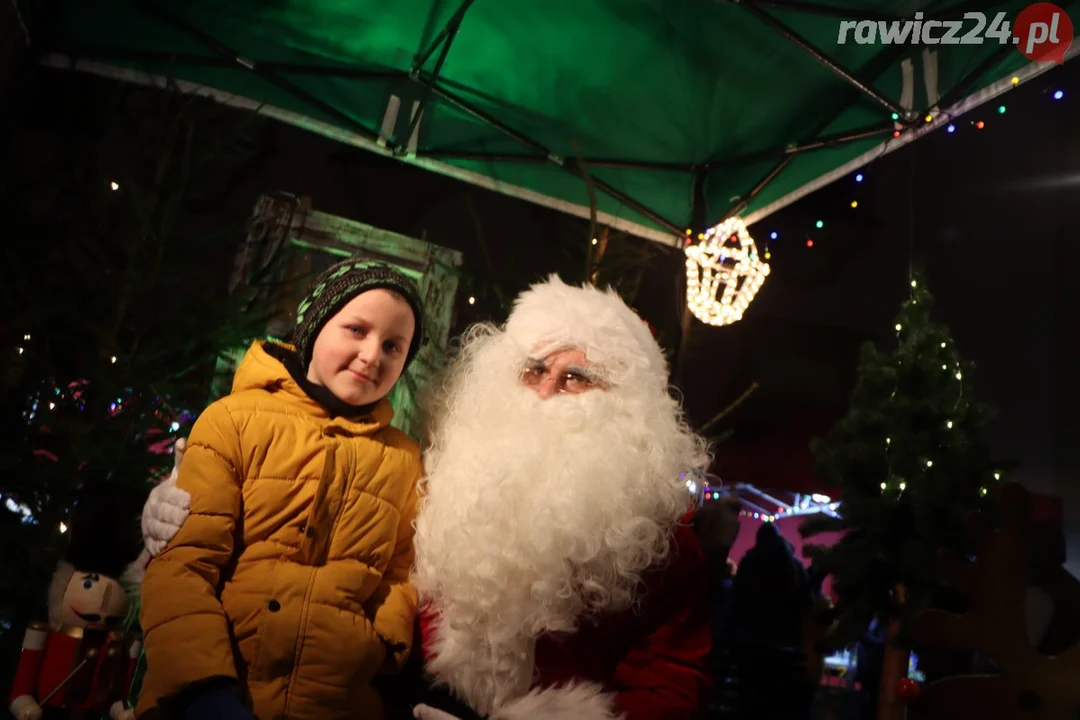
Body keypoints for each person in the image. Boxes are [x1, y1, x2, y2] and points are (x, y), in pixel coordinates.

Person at [144, 275, 713, 720]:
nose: (544, 390)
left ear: (628, 405)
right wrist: (172, 505)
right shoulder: (445, 473)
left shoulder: (659, 533)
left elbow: (671, 680)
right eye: (535, 368)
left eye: (576, 377)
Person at [136, 261, 426, 720]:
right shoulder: (233, 420)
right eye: (356, 329)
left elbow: (400, 573)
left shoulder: (405, 459)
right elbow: (183, 567)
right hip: (216, 694)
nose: (373, 355)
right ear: (314, 328)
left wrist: (382, 644)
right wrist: (204, 694)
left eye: (393, 345)